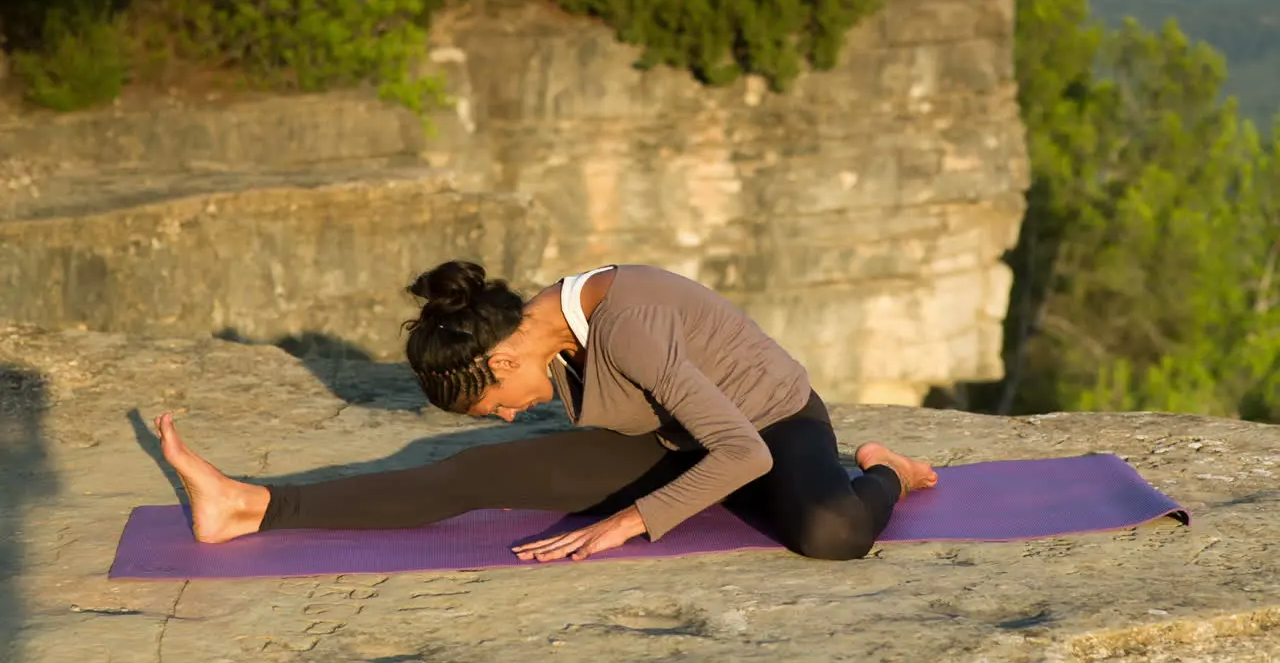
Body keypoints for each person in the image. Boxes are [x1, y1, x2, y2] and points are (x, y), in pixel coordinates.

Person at [155, 261, 938, 562]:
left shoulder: (625, 326)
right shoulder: (543, 323)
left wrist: (628, 522)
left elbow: (742, 454)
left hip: (766, 426)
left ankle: (887, 472)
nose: (506, 414)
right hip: (677, 441)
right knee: (475, 473)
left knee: (830, 533)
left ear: (501, 359)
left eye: (493, 402)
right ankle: (250, 505)